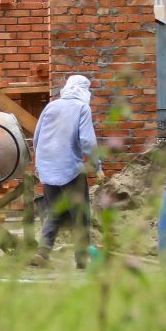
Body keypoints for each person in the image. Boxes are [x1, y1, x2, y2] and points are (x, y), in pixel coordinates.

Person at [31, 74, 104, 268]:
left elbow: (37, 138)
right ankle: (82, 261)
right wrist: (97, 167)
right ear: (84, 91)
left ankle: (42, 253)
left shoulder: (50, 106)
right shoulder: (82, 108)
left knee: (54, 212)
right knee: (80, 215)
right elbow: (87, 142)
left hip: (47, 169)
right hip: (70, 169)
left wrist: (40, 165)